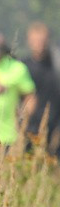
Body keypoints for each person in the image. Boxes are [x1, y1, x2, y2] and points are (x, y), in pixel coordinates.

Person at [22, 21, 60, 150]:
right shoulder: (23, 67)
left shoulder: (55, 66)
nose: (39, 44)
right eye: (35, 40)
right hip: (30, 128)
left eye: (42, 40)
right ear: (29, 41)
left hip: (55, 128)